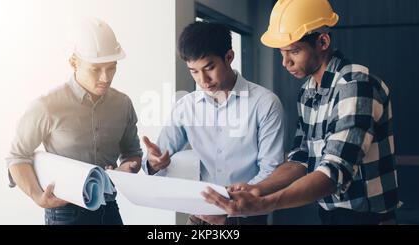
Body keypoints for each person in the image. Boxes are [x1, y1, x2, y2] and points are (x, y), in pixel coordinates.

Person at [202, 0, 400, 225]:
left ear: (322, 41)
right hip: (330, 215)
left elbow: (335, 171)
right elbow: (300, 159)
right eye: (281, 53)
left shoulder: (356, 85)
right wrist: (256, 189)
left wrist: (265, 203)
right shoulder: (308, 91)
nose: (285, 62)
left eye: (293, 51)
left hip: (368, 219)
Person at [142, 21, 285, 225]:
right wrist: (153, 163)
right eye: (194, 71)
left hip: (246, 217)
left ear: (229, 57)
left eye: (209, 68)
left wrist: (227, 206)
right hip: (199, 218)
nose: (203, 80)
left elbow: (271, 170)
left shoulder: (265, 104)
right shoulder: (185, 107)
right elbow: (158, 160)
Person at [6, 18, 142, 225]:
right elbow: (17, 158)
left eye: (111, 68)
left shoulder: (122, 104)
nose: (106, 77)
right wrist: (37, 197)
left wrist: (127, 169)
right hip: (65, 214)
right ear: (73, 62)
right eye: (96, 69)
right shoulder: (46, 106)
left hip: (110, 208)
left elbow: (132, 153)